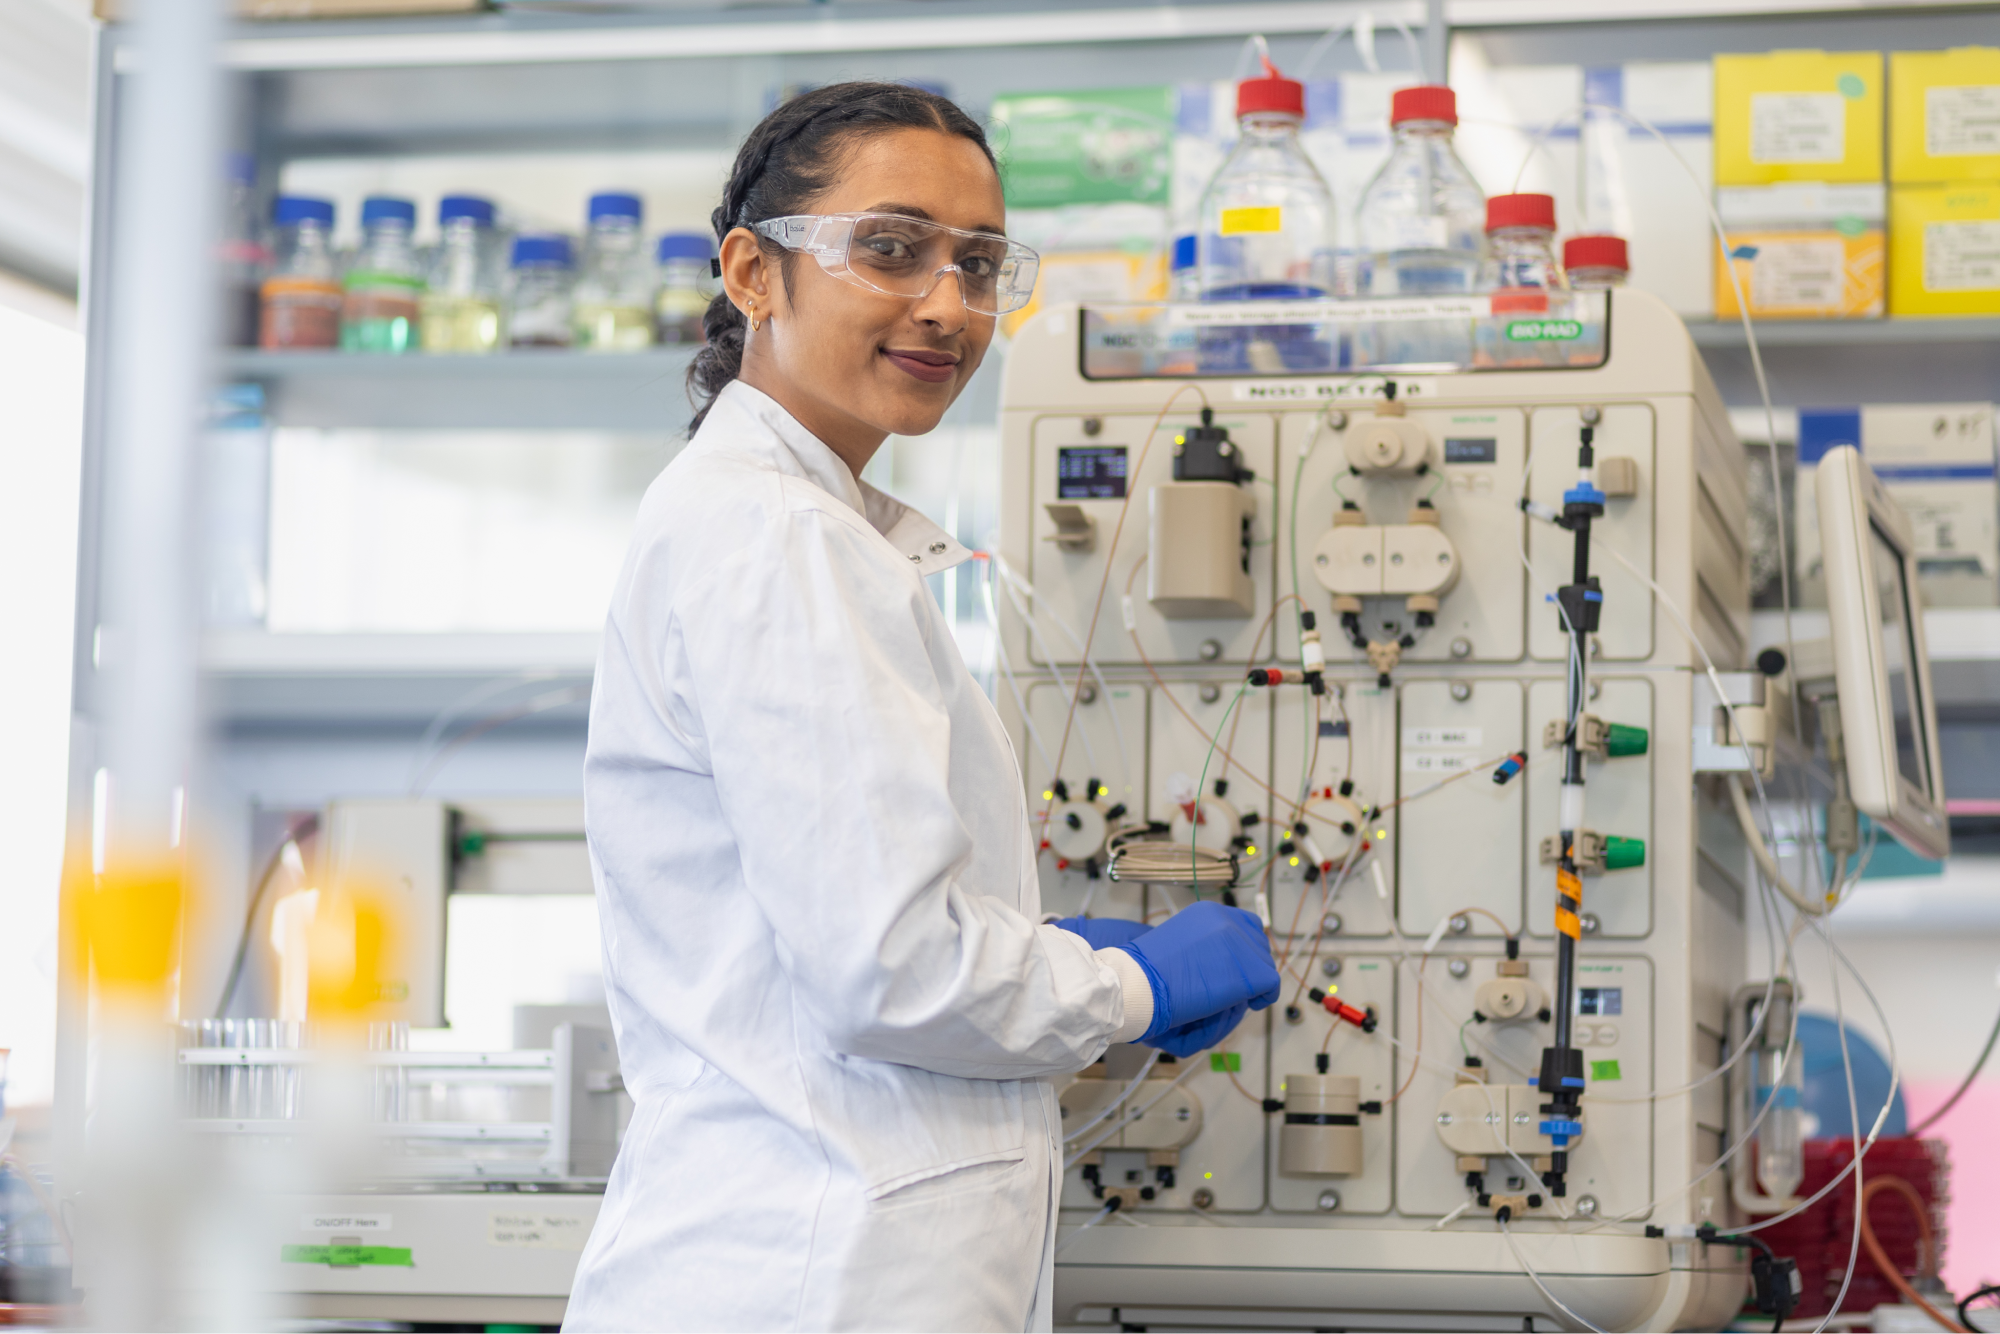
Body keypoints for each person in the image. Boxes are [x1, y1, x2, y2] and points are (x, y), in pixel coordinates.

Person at [566, 82, 1280, 1334]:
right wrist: (1123, 982)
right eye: (890, 249)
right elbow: (891, 970)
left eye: (980, 264)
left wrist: (1059, 948)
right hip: (805, 1272)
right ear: (753, 272)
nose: (947, 306)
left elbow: (857, 919)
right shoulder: (779, 537)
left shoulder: (794, 525)